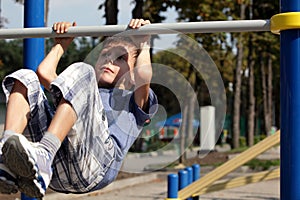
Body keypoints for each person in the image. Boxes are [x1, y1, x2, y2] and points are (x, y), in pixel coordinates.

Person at [0, 18, 157, 198]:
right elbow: (43, 72)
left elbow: (144, 76)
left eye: (120, 58)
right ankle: (5, 159)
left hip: (97, 167)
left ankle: (44, 153)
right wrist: (61, 45)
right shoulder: (79, 90)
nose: (109, 61)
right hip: (57, 168)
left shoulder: (132, 101)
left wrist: (144, 44)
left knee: (84, 71)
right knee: (25, 78)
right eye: (105, 55)